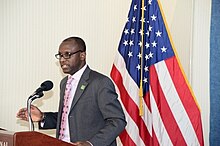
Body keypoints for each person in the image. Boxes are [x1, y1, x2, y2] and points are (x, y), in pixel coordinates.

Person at [17, 36, 127, 146]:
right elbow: (69, 118)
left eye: (67, 54)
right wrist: (42, 117)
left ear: (82, 55)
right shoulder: (64, 83)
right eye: (60, 55)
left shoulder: (100, 82)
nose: (62, 59)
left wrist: (91, 144)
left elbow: (117, 120)